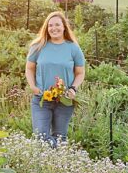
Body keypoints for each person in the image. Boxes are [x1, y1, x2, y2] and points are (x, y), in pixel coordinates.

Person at [26, 11, 85, 146]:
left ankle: (54, 165)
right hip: (42, 99)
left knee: (60, 137)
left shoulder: (73, 48)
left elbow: (80, 73)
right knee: (41, 136)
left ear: (64, 27)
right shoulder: (38, 46)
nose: (54, 28)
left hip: (64, 99)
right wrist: (33, 87)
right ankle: (55, 159)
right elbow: (29, 68)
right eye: (50, 25)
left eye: (57, 25)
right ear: (46, 28)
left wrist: (73, 88)